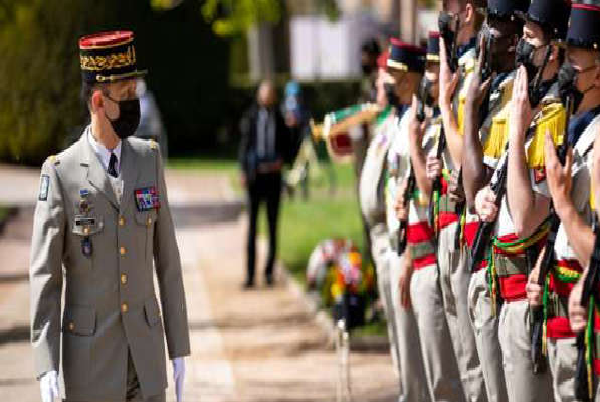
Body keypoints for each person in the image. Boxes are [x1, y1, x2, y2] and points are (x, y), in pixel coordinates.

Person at [29, 31, 190, 402]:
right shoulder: (60, 173)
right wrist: (46, 363)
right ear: (99, 100)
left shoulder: (149, 159)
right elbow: (46, 278)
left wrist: (178, 346)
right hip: (92, 363)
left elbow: (168, 262)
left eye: (136, 93)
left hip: (146, 359)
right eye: (127, 96)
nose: (136, 103)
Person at [474, 0, 569, 399]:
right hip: (503, 282)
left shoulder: (553, 115)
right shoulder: (526, 100)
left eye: (531, 38)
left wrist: (517, 130)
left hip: (529, 294)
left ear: (557, 50)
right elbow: (498, 187)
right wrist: (482, 198)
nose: (521, 48)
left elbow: (528, 216)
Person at [393, 33, 466, 402]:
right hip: (421, 252)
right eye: (431, 68)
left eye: (438, 67)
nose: (432, 75)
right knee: (434, 372)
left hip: (438, 258)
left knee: (446, 377)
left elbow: (426, 188)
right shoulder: (430, 121)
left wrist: (414, 146)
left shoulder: (438, 124)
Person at [534, 2, 600, 400]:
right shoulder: (574, 129)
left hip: (584, 316)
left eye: (575, 67)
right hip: (559, 312)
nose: (566, 76)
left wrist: (561, 201)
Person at [360, 48, 430, 402]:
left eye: (396, 74)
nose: (389, 82)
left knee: (413, 350)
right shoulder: (394, 119)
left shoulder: (415, 119)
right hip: (389, 238)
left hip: (406, 242)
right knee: (399, 343)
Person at [432, 0, 493, 399]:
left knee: (476, 368)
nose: (442, 19)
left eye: (447, 9)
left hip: (471, 231)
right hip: (451, 228)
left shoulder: (477, 70)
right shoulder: (461, 65)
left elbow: (460, 157)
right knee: (464, 358)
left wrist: (443, 106)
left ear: (467, 12)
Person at [239, 80, 292, 288]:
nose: (267, 97)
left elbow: (289, 147)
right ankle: (250, 275)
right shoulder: (251, 116)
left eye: (270, 93)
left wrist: (283, 158)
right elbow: (244, 145)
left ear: (274, 96)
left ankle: (269, 272)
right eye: (264, 93)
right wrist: (243, 170)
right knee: (252, 227)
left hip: (273, 178)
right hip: (255, 177)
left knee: (272, 226)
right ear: (259, 95)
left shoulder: (280, 117)